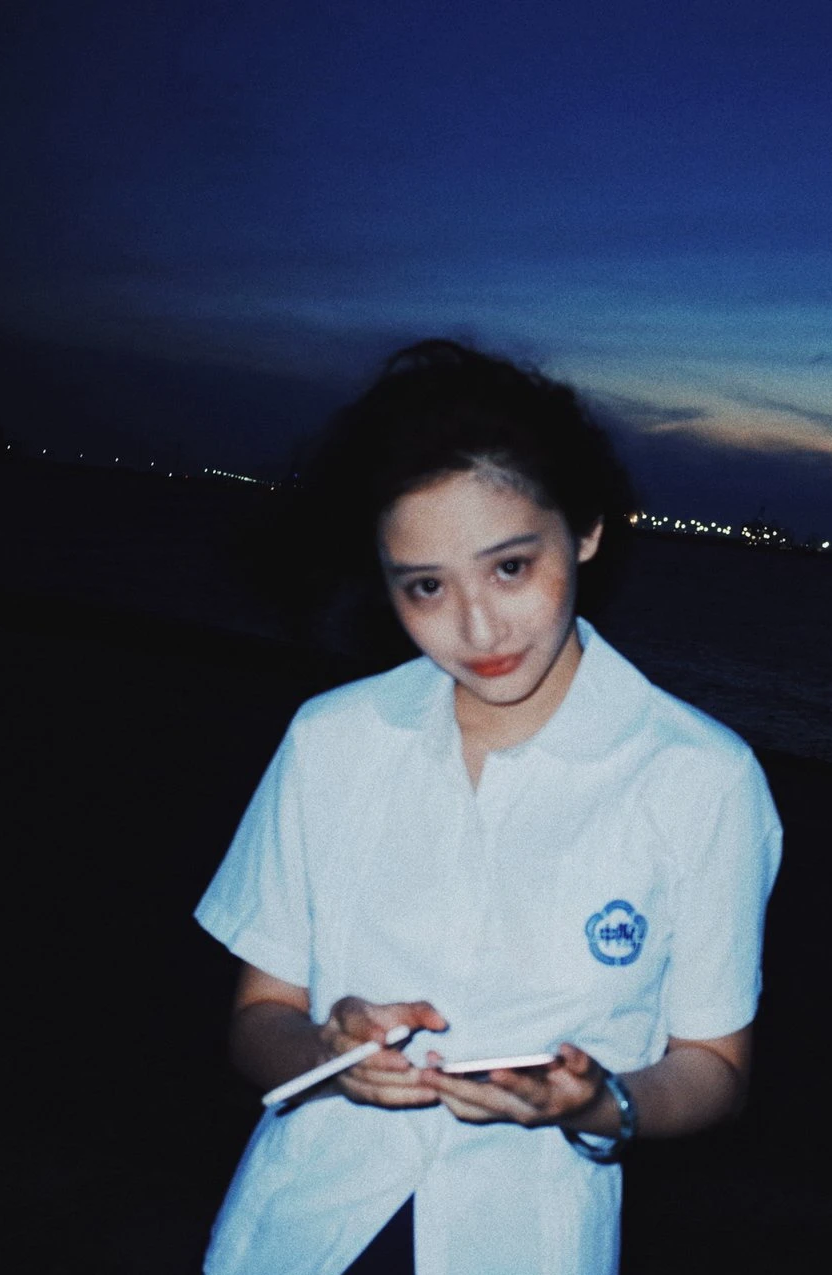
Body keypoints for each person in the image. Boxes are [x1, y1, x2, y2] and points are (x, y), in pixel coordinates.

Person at [194, 340, 783, 1275]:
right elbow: (257, 1019)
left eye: (509, 567)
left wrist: (598, 1102)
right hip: (301, 1231)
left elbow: (713, 1067)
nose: (476, 627)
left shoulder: (701, 777)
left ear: (585, 529)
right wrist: (328, 1051)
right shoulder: (332, 739)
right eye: (426, 585)